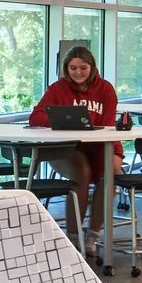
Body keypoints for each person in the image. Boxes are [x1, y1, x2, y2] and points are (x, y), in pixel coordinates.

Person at [27, 46, 119, 248]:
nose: (78, 72)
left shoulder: (105, 89)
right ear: (66, 68)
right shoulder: (57, 89)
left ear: (92, 67)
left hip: (101, 146)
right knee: (82, 171)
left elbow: (109, 124)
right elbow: (36, 117)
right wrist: (62, 121)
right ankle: (74, 237)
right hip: (67, 148)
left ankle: (93, 236)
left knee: (109, 173)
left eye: (83, 68)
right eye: (73, 68)